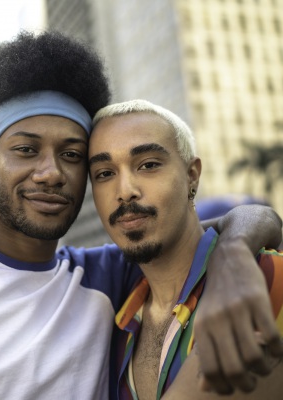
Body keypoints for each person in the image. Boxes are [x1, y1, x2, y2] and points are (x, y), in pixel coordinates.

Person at [0, 31, 281, 400]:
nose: (51, 173)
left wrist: (235, 259)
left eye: (71, 155)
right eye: (25, 150)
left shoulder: (110, 274)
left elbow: (229, 224)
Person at [88, 99, 283, 399]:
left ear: (192, 175)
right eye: (104, 173)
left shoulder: (262, 277)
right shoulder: (116, 321)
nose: (125, 190)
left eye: (148, 165)